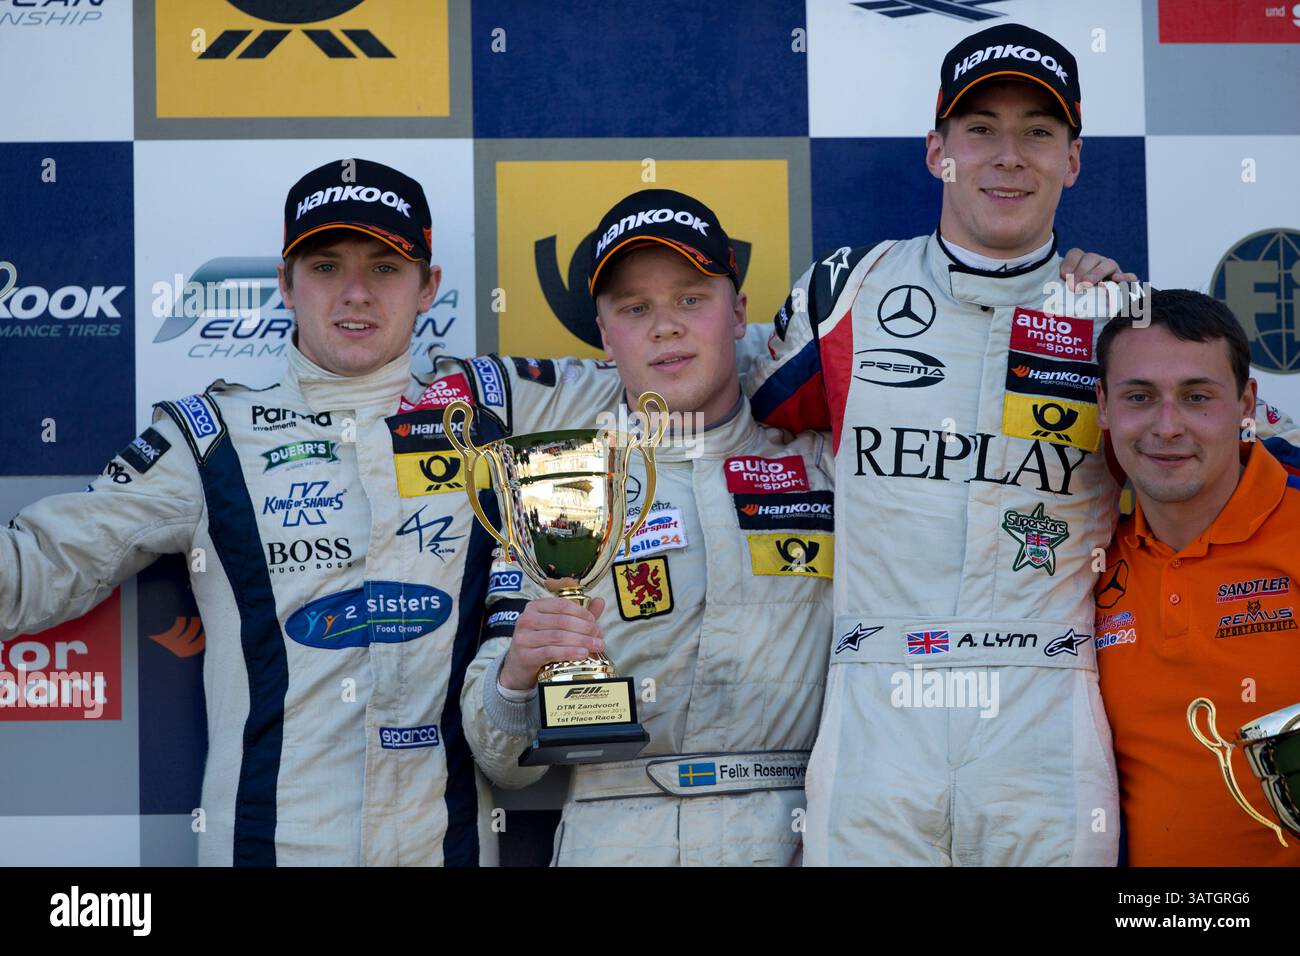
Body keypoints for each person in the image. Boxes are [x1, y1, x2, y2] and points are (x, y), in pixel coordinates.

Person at [0, 158, 612, 866]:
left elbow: (677, 378)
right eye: (326, 267)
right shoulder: (210, 437)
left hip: (443, 846)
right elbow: (32, 574)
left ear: (428, 288)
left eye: (385, 267)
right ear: (286, 285)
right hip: (273, 847)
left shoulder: (492, 406)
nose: (355, 293)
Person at [748, 22, 1184, 866]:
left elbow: (1230, 450)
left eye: (1038, 131)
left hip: (1045, 712)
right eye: (981, 129)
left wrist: (1128, 322)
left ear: (1074, 159)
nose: (1008, 155)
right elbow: (718, 403)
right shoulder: (847, 292)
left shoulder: (1122, 320)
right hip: (875, 710)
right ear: (936, 150)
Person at [459, 189, 835, 865]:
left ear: (739, 313)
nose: (665, 326)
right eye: (635, 309)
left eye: (691, 298)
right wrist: (516, 675)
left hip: (799, 829)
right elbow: (501, 762)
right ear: (605, 334)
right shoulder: (560, 481)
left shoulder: (823, 462)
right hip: (613, 831)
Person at [1094, 289, 1300, 866]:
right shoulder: (1082, 560)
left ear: (1246, 404)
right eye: (1139, 396)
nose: (1167, 427)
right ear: (1103, 406)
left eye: (1196, 397)